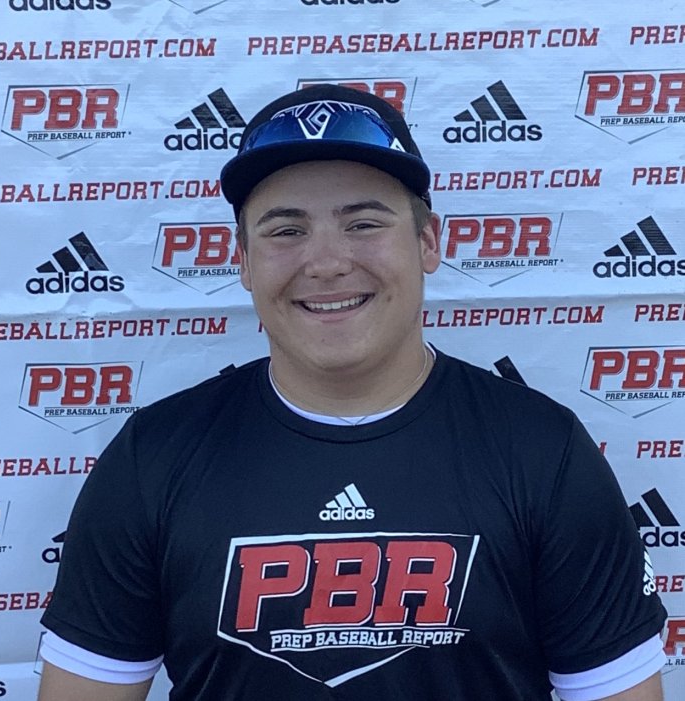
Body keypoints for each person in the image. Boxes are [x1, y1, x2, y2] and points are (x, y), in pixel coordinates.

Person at [38, 84, 667, 701]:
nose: (327, 262)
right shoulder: (154, 457)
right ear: (244, 260)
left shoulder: (542, 450)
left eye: (364, 223)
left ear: (428, 242)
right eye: (286, 231)